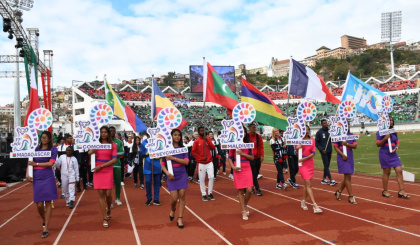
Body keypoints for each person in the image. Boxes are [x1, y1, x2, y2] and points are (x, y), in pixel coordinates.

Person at [26, 131, 58, 238]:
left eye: (45, 137)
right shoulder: (35, 149)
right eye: (42, 137)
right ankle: (44, 219)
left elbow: (51, 163)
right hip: (37, 177)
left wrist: (37, 164)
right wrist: (27, 173)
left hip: (48, 176)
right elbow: (29, 161)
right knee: (39, 205)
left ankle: (46, 227)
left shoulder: (53, 149)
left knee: (48, 202)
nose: (43, 139)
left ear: (49, 139)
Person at [88, 126, 117, 228]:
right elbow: (90, 153)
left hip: (107, 169)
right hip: (97, 170)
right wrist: (91, 152)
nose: (103, 134)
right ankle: (104, 217)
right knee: (101, 194)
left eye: (105, 132)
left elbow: (114, 160)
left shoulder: (112, 145)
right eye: (102, 132)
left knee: (108, 194)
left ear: (108, 134)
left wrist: (101, 166)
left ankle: (108, 208)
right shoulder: (96, 144)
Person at [161, 129, 189, 229]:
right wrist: (168, 174)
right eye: (175, 135)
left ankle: (180, 218)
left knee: (182, 196)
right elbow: (163, 165)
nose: (177, 137)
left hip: (182, 175)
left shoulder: (184, 148)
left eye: (179, 135)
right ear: (171, 136)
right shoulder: (166, 149)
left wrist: (173, 158)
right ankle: (173, 209)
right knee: (174, 198)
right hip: (171, 176)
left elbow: (186, 162)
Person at [376, 117, 410, 199]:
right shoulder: (380, 132)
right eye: (389, 120)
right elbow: (378, 144)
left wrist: (396, 148)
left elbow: (397, 142)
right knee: (387, 172)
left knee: (399, 170)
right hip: (384, 153)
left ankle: (401, 190)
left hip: (393, 154)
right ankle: (385, 191)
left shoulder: (393, 131)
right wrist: (385, 138)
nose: (391, 122)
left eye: (392, 120)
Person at [227, 128, 254, 220]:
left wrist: (242, 153)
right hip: (237, 168)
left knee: (249, 190)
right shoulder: (233, 145)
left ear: (246, 133)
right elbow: (229, 157)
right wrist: (233, 167)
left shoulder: (248, 144)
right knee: (240, 191)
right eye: (240, 132)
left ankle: (244, 204)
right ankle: (243, 210)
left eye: (244, 132)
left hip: (247, 168)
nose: (242, 133)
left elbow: (252, 158)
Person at [297, 125, 323, 214]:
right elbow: (297, 155)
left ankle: (303, 201)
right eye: (305, 130)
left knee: (307, 184)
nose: (307, 131)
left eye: (308, 130)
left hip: (309, 163)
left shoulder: (312, 141)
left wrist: (304, 159)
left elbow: (313, 153)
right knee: (308, 184)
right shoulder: (299, 141)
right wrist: (297, 149)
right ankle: (315, 205)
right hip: (302, 165)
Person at [334, 127, 358, 204]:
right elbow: (335, 147)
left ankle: (339, 191)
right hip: (342, 157)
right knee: (347, 176)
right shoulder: (337, 135)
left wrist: (347, 144)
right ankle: (351, 196)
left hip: (350, 156)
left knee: (348, 176)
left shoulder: (351, 135)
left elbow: (355, 146)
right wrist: (342, 155)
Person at [191, 126, 216, 201]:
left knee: (211, 177)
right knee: (202, 179)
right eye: (201, 131)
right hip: (201, 163)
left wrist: (208, 141)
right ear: (198, 132)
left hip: (209, 162)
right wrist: (200, 158)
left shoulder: (208, 139)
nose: (202, 132)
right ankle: (204, 194)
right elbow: (193, 152)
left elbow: (213, 147)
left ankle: (210, 193)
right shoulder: (196, 141)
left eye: (203, 130)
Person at [140, 134, 162, 206]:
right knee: (148, 181)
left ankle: (156, 199)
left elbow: (162, 153)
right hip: (147, 166)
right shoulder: (144, 142)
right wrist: (147, 153)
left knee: (157, 183)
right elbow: (141, 154)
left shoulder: (159, 142)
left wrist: (156, 155)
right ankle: (149, 198)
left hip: (157, 165)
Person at [315, 119, 337, 186]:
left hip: (329, 150)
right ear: (321, 124)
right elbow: (317, 143)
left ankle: (324, 179)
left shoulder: (330, 131)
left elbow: (333, 139)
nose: (326, 124)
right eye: (324, 123)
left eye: (326, 123)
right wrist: (321, 149)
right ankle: (331, 179)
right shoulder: (319, 132)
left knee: (327, 165)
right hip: (323, 151)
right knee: (326, 164)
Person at [248, 122, 264, 196]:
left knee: (256, 173)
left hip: (257, 158)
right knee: (254, 174)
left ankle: (251, 185)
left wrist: (262, 155)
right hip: (251, 159)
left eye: (255, 127)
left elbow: (261, 146)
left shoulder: (258, 137)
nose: (254, 129)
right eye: (253, 127)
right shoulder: (247, 137)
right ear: (249, 128)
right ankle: (258, 189)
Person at [109, 126, 124, 206]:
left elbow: (122, 152)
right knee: (108, 184)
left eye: (113, 131)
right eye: (110, 131)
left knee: (117, 182)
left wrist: (113, 155)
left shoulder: (119, 141)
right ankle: (109, 201)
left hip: (117, 164)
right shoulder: (105, 142)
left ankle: (117, 198)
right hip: (107, 165)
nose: (112, 132)